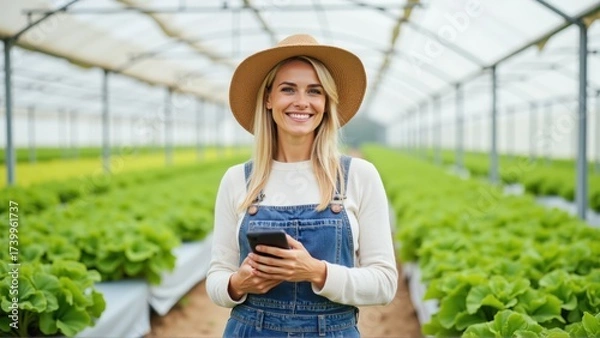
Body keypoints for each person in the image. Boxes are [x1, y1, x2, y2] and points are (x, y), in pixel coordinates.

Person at [206, 33, 398, 337]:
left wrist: (316, 272)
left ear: (326, 102)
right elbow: (217, 276)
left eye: (314, 91)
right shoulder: (237, 180)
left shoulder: (358, 176)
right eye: (288, 89)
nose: (302, 102)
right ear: (268, 99)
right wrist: (237, 283)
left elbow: (385, 284)